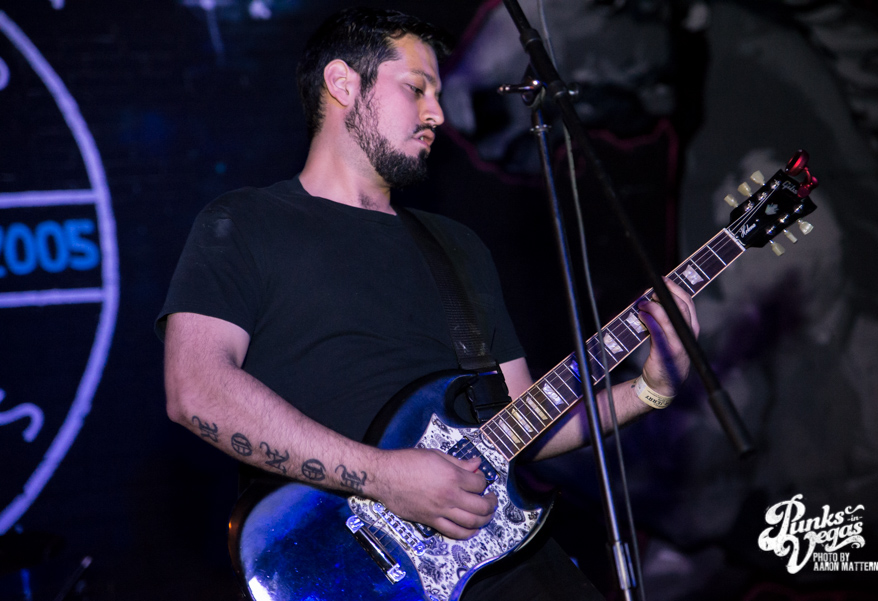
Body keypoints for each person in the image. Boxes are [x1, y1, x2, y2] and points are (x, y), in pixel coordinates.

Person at [156, 6, 699, 600]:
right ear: (343, 84)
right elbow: (196, 389)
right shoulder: (243, 223)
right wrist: (384, 477)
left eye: (436, 94)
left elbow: (522, 421)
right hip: (343, 565)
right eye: (417, 89)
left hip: (498, 555)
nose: (437, 113)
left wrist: (649, 390)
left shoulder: (456, 246)